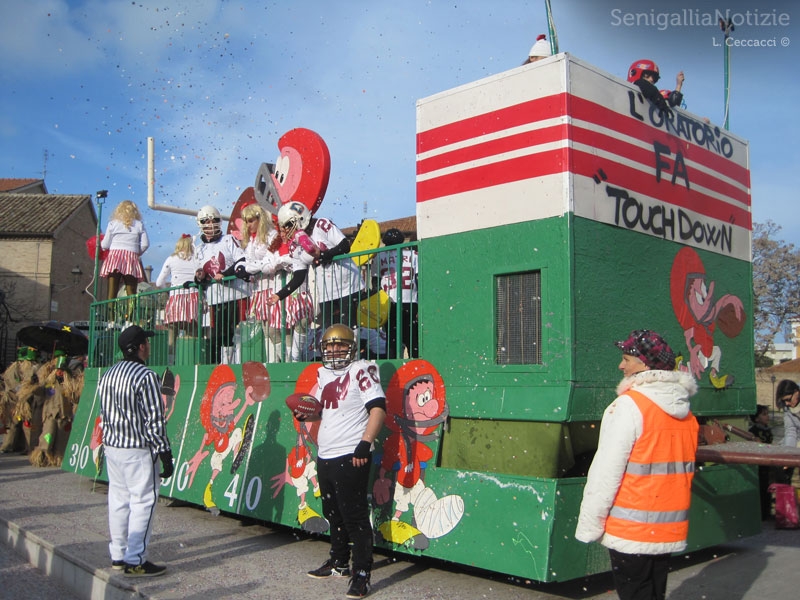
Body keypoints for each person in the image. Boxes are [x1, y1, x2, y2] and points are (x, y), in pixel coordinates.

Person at [575, 329, 698, 600]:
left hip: (630, 529)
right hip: (667, 527)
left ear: (644, 365)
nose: (621, 366)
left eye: (626, 359)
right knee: (654, 593)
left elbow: (606, 474)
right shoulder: (685, 413)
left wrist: (589, 526)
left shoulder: (629, 407)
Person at [292, 324, 386, 599]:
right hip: (326, 452)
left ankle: (362, 573)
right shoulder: (322, 374)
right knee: (333, 512)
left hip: (351, 452)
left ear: (351, 347)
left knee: (354, 514)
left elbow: (377, 409)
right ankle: (339, 562)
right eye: (329, 346)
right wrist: (304, 415)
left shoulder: (361, 370)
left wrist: (364, 443)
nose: (334, 351)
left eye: (339, 345)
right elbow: (321, 412)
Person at [98, 325, 173, 577]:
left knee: (118, 501)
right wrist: (165, 453)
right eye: (146, 342)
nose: (149, 346)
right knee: (143, 502)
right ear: (141, 346)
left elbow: (103, 414)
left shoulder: (108, 374)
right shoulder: (146, 376)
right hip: (138, 450)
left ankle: (118, 555)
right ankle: (136, 559)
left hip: (113, 447)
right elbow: (154, 419)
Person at [240, 202, 298, 362]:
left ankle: (289, 362)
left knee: (280, 327)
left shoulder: (272, 235)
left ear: (260, 219)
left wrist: (252, 268)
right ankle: (272, 363)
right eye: (246, 221)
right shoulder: (249, 242)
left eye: (252, 220)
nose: (249, 224)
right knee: (266, 330)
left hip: (274, 286)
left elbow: (271, 263)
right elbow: (248, 264)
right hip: (258, 289)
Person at [267, 201, 322, 361]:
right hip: (288, 290)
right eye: (281, 228)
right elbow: (268, 264)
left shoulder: (313, 231)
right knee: (275, 330)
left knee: (303, 322)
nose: (284, 231)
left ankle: (296, 359)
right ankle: (288, 361)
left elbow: (310, 255)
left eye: (287, 226)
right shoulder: (287, 246)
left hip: (307, 290)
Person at [193, 205, 248, 364]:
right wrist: (200, 277)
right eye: (206, 221)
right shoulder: (199, 249)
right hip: (215, 299)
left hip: (236, 294)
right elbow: (199, 277)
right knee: (219, 337)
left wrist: (226, 273)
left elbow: (242, 260)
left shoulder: (229, 239)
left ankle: (237, 367)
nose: (210, 225)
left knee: (238, 334)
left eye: (214, 220)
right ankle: (224, 368)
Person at [377, 228, 419, 358]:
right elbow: (418, 279)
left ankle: (395, 370)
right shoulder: (413, 255)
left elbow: (375, 281)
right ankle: (415, 366)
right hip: (411, 300)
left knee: (392, 341)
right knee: (413, 340)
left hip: (390, 302)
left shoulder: (379, 256)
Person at [155, 234, 200, 347]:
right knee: (191, 334)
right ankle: (191, 359)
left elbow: (159, 282)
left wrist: (169, 291)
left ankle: (171, 360)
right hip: (193, 297)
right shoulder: (196, 258)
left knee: (172, 334)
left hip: (176, 297)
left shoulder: (171, 259)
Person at [100, 200, 149, 302]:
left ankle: (110, 317)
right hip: (131, 258)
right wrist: (136, 252)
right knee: (131, 291)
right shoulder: (139, 224)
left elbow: (105, 244)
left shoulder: (113, 224)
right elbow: (145, 244)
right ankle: (130, 317)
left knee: (111, 292)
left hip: (114, 257)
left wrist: (104, 247)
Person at [748, 404, 774, 519]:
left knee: (768, 487)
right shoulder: (753, 431)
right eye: (764, 414)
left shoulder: (767, 430)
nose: (767, 416)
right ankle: (762, 514)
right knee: (761, 488)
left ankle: (767, 512)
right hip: (759, 464)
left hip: (768, 462)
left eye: (767, 413)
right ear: (756, 418)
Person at [775, 379, 800, 485]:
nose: (787, 403)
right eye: (784, 401)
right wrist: (788, 456)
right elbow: (791, 431)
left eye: (789, 399)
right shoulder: (787, 408)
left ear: (796, 392)